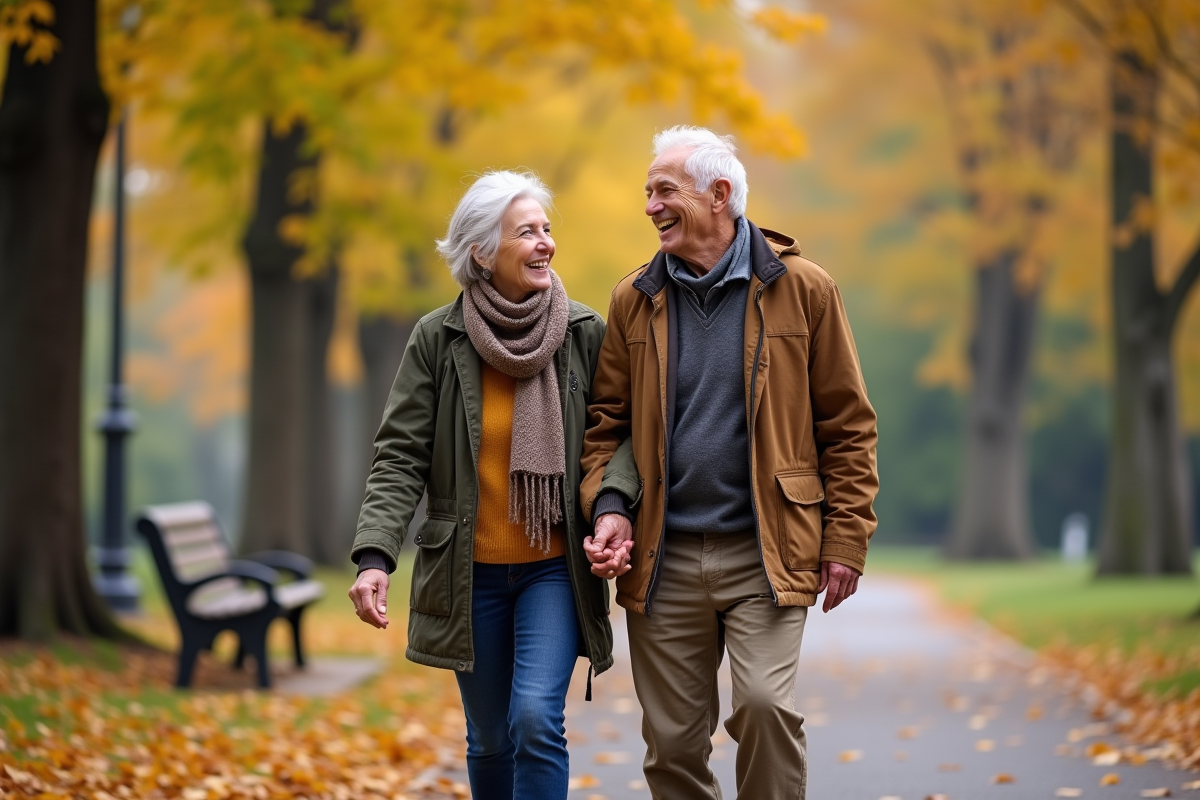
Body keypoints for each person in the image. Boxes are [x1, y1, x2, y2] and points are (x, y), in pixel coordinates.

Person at [580, 126, 879, 800]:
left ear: (720, 194)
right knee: (675, 743)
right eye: (647, 191)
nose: (650, 205)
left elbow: (849, 426)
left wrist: (846, 539)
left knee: (766, 709)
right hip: (665, 555)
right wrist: (609, 509)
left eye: (664, 190)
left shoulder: (804, 290)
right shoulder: (635, 297)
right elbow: (606, 427)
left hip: (765, 550)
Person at [347, 171, 622, 800]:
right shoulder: (437, 339)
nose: (546, 242)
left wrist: (611, 506)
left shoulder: (582, 333)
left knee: (534, 720)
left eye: (547, 229)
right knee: (491, 737)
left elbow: (615, 436)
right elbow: (400, 455)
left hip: (553, 567)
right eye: (527, 232)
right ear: (481, 251)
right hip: (469, 573)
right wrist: (374, 557)